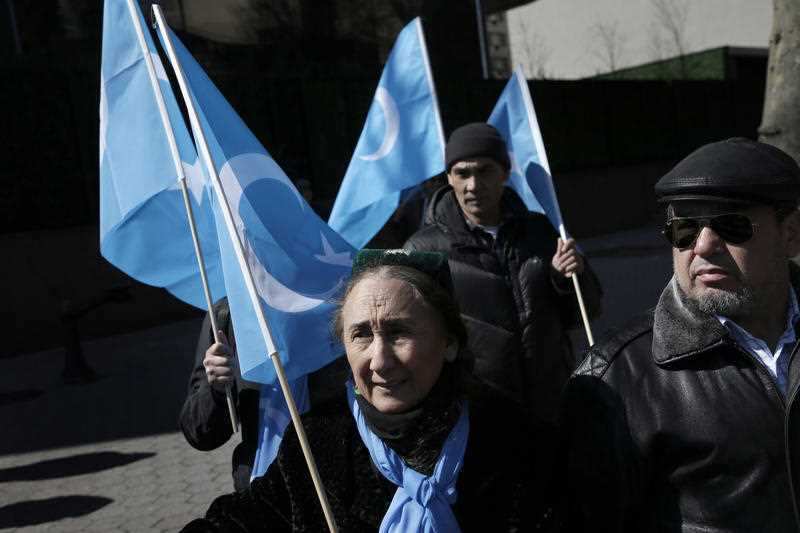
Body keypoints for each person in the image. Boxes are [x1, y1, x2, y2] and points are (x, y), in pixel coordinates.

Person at [182, 249, 557, 532]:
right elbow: (247, 518)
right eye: (361, 334)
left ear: (449, 342)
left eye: (399, 333)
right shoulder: (316, 441)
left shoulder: (513, 439)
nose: (379, 361)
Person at [561, 137, 800, 532]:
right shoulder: (614, 378)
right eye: (685, 229)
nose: (703, 246)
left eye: (731, 225)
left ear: (789, 234)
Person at [404, 122, 602, 423]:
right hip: (482, 416)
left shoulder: (541, 231)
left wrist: (566, 280)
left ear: (505, 173)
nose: (473, 184)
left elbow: (585, 314)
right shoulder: (423, 249)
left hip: (555, 405)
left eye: (484, 171)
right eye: (462, 173)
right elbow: (416, 340)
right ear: (449, 178)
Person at [179, 300, 346, 492]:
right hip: (264, 489)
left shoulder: (340, 294)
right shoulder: (227, 313)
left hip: (342, 482)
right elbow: (200, 434)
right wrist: (216, 390)